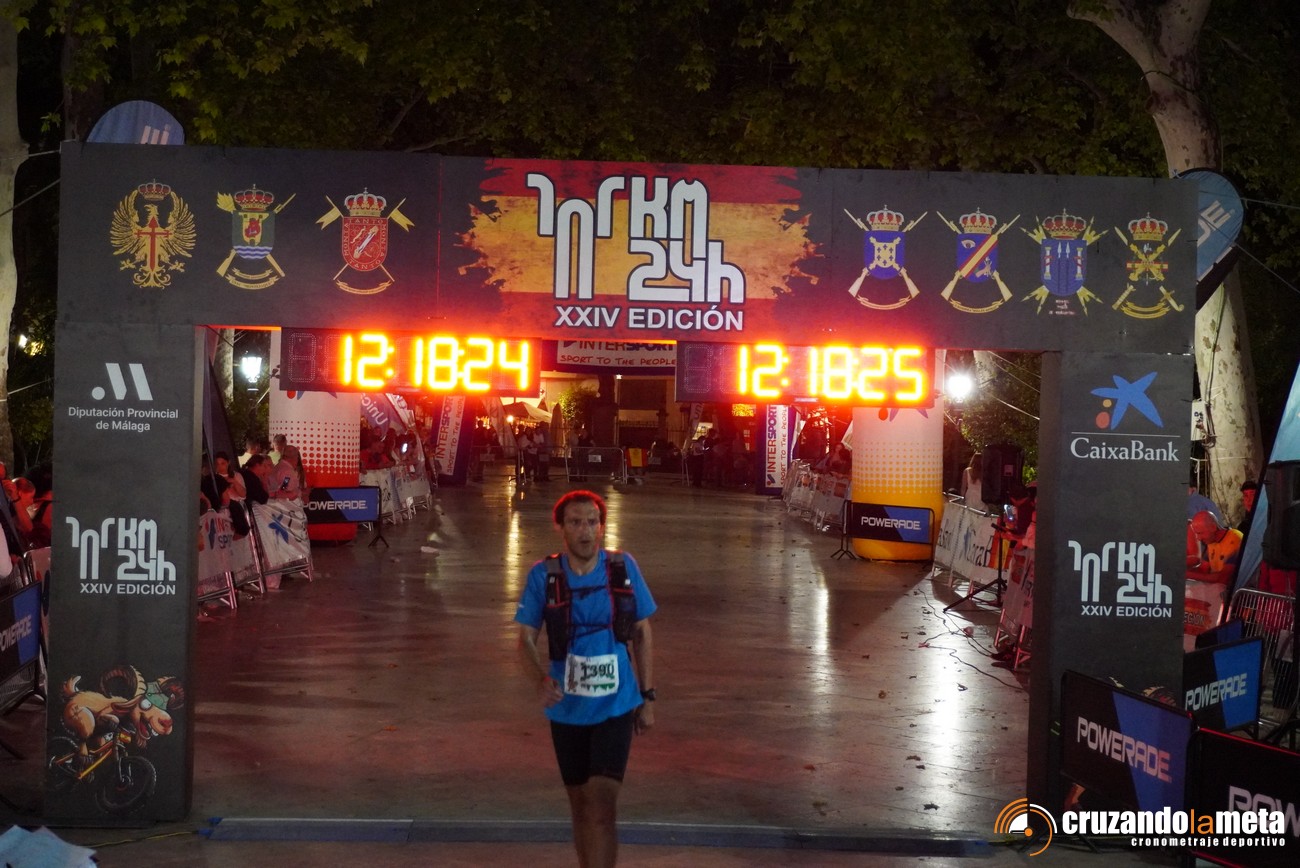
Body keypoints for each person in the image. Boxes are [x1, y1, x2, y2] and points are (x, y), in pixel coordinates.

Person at [515, 491, 657, 868]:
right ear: (560, 528)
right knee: (580, 805)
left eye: (592, 522)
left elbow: (642, 632)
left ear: (602, 527)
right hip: (567, 709)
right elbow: (525, 638)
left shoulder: (622, 568)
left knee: (601, 804)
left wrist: (647, 697)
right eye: (576, 522)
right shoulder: (544, 576)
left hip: (616, 704)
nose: (585, 531)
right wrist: (539, 679)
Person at [1186, 509, 1243, 584]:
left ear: (1213, 527)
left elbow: (1223, 578)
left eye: (1200, 533)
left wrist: (1188, 574)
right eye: (1196, 534)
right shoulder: (1211, 541)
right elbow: (1203, 568)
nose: (1198, 538)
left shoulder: (1235, 538)